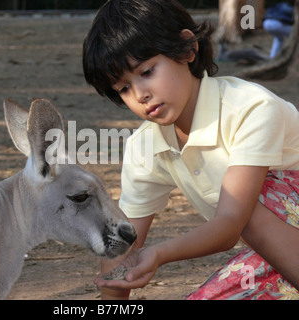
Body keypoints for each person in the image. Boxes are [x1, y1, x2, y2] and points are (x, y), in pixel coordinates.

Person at [82, 0, 299, 300]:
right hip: (280, 254)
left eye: (146, 72)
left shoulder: (250, 108)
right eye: (123, 88)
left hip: (276, 231)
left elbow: (231, 224)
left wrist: (159, 254)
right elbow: (125, 243)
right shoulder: (146, 146)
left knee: (246, 201)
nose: (140, 95)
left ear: (187, 49)